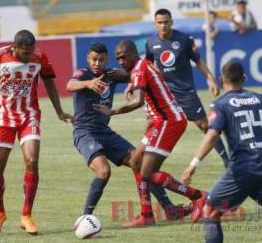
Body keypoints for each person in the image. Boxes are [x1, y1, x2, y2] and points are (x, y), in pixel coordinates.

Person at [66, 43, 192, 224]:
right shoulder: (82, 74)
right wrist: (89, 83)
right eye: (94, 59)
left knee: (140, 164)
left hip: (105, 132)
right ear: (88, 59)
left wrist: (134, 82)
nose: (97, 63)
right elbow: (70, 85)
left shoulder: (110, 75)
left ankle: (170, 210)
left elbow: (138, 73)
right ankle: (86, 217)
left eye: (101, 59)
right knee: (104, 171)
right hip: (85, 132)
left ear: (106, 59)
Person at [94, 40, 207, 228]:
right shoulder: (142, 66)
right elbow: (129, 76)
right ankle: (146, 215)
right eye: (117, 59)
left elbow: (138, 101)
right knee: (135, 162)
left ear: (132, 54)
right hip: (160, 122)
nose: (121, 61)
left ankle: (199, 196)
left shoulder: (140, 69)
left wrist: (112, 111)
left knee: (148, 172)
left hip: (168, 121)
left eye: (123, 57)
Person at [0, 30, 73, 236]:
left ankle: (26, 215)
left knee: (32, 160)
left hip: (29, 116)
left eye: (30, 52)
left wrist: (59, 111)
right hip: (4, 118)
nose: (28, 57)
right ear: (14, 47)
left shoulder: (39, 57)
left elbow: (49, 81)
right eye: (24, 53)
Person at [182, 61, 262, 243]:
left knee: (210, 210)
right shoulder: (261, 99)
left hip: (241, 172)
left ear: (221, 79)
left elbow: (212, 135)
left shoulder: (221, 104)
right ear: (244, 78)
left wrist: (193, 164)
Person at [144, 8, 229, 167]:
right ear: (155, 24)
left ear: (172, 22)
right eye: (160, 22)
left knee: (205, 126)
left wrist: (210, 80)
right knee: (152, 126)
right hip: (163, 94)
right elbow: (146, 66)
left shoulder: (184, 40)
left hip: (185, 92)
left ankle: (227, 161)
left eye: (166, 22)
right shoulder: (150, 43)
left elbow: (198, 61)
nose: (163, 25)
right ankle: (145, 161)